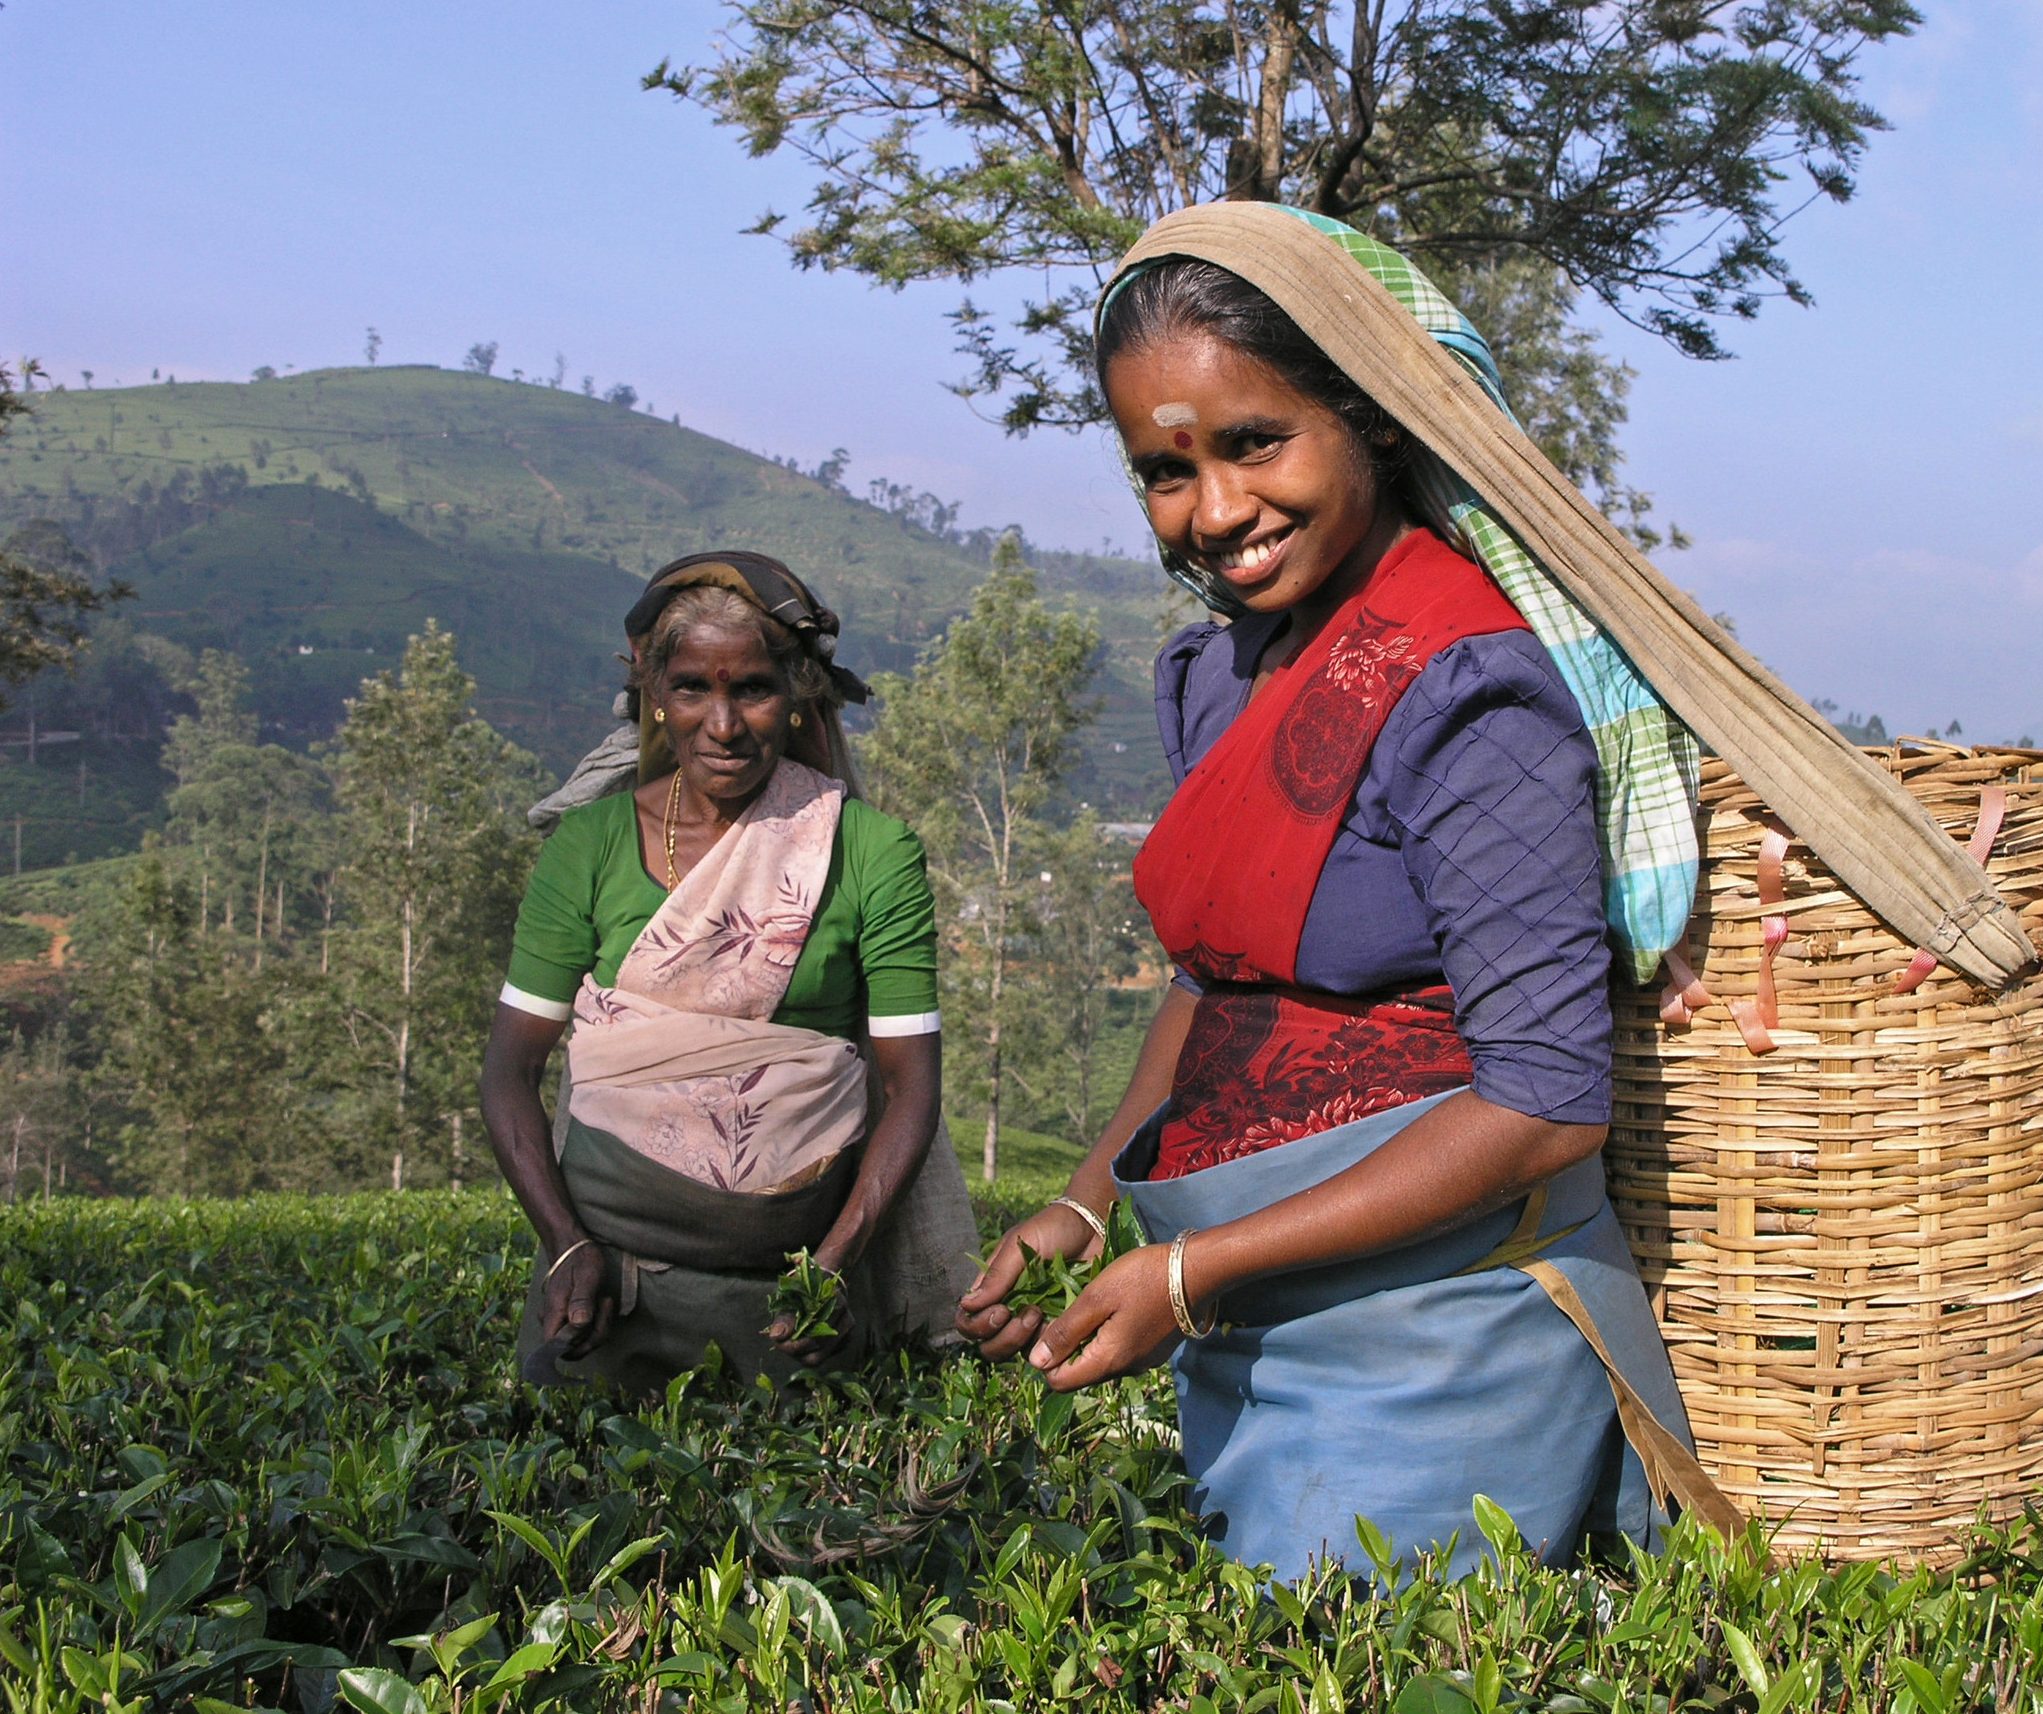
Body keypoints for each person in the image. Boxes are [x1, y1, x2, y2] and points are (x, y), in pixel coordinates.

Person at [957, 208, 1735, 1579]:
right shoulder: (1228, 671)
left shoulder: (1468, 687)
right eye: (1163, 468)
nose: (1215, 512)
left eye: (1254, 442)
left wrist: (1190, 1274)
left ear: (1368, 416)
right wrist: (1086, 1207)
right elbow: (1217, 979)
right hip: (1258, 1329)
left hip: (1440, 1341)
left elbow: (1543, 1103)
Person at [483, 551, 978, 1390]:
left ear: (796, 695)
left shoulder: (867, 853)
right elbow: (509, 1069)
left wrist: (832, 1270)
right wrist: (566, 1244)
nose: (723, 724)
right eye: (691, 690)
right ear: (653, 694)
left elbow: (910, 1090)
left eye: (752, 688)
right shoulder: (590, 846)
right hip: (604, 1294)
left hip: (795, 1311)